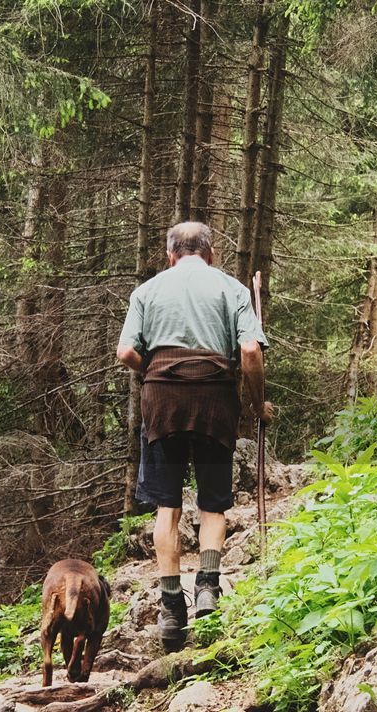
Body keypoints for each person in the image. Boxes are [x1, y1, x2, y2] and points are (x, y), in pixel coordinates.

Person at [115, 221, 271, 652]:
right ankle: (207, 588)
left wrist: (155, 373)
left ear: (170, 255)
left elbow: (125, 351)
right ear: (210, 253)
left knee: (167, 506)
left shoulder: (147, 291)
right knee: (212, 502)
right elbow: (251, 352)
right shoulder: (233, 289)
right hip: (214, 400)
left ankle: (170, 608)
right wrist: (256, 404)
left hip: (161, 402)